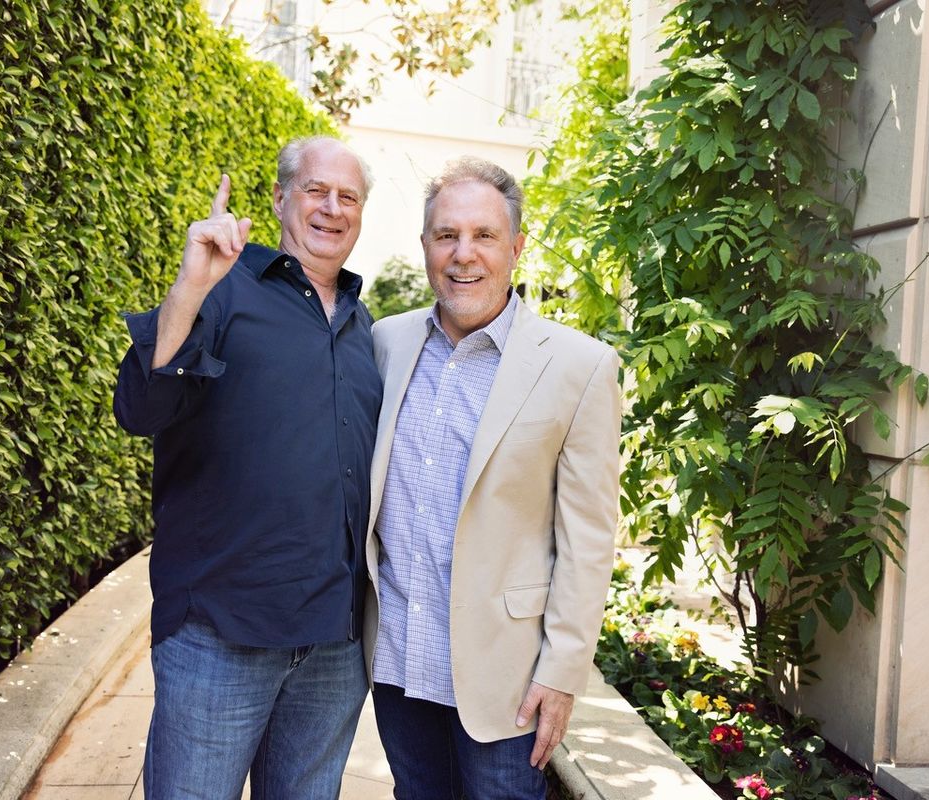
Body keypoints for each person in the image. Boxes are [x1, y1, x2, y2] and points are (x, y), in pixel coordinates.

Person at [113, 136, 382, 800]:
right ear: (280, 197)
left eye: (348, 196)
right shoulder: (221, 293)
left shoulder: (362, 325)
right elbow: (141, 407)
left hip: (333, 646)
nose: (332, 208)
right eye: (316, 190)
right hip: (221, 633)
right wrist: (188, 286)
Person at [364, 157, 621, 798]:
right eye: (446, 235)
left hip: (506, 679)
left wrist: (562, 672)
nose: (463, 255)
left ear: (516, 247)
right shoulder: (386, 343)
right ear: (425, 245)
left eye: (483, 236)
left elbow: (588, 540)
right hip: (398, 661)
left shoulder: (579, 366)